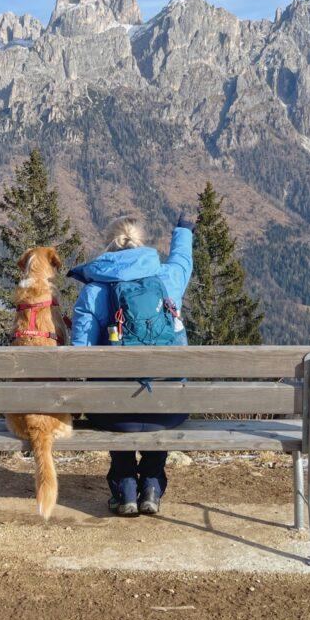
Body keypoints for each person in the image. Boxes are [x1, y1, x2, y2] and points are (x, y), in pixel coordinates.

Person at [68, 213, 195, 516]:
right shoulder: (167, 279)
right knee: (160, 391)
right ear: (141, 243)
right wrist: (184, 230)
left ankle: (125, 487)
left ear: (109, 246)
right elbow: (182, 261)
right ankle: (151, 483)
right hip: (168, 410)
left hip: (114, 415)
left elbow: (79, 357)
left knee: (112, 394)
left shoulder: (94, 291)